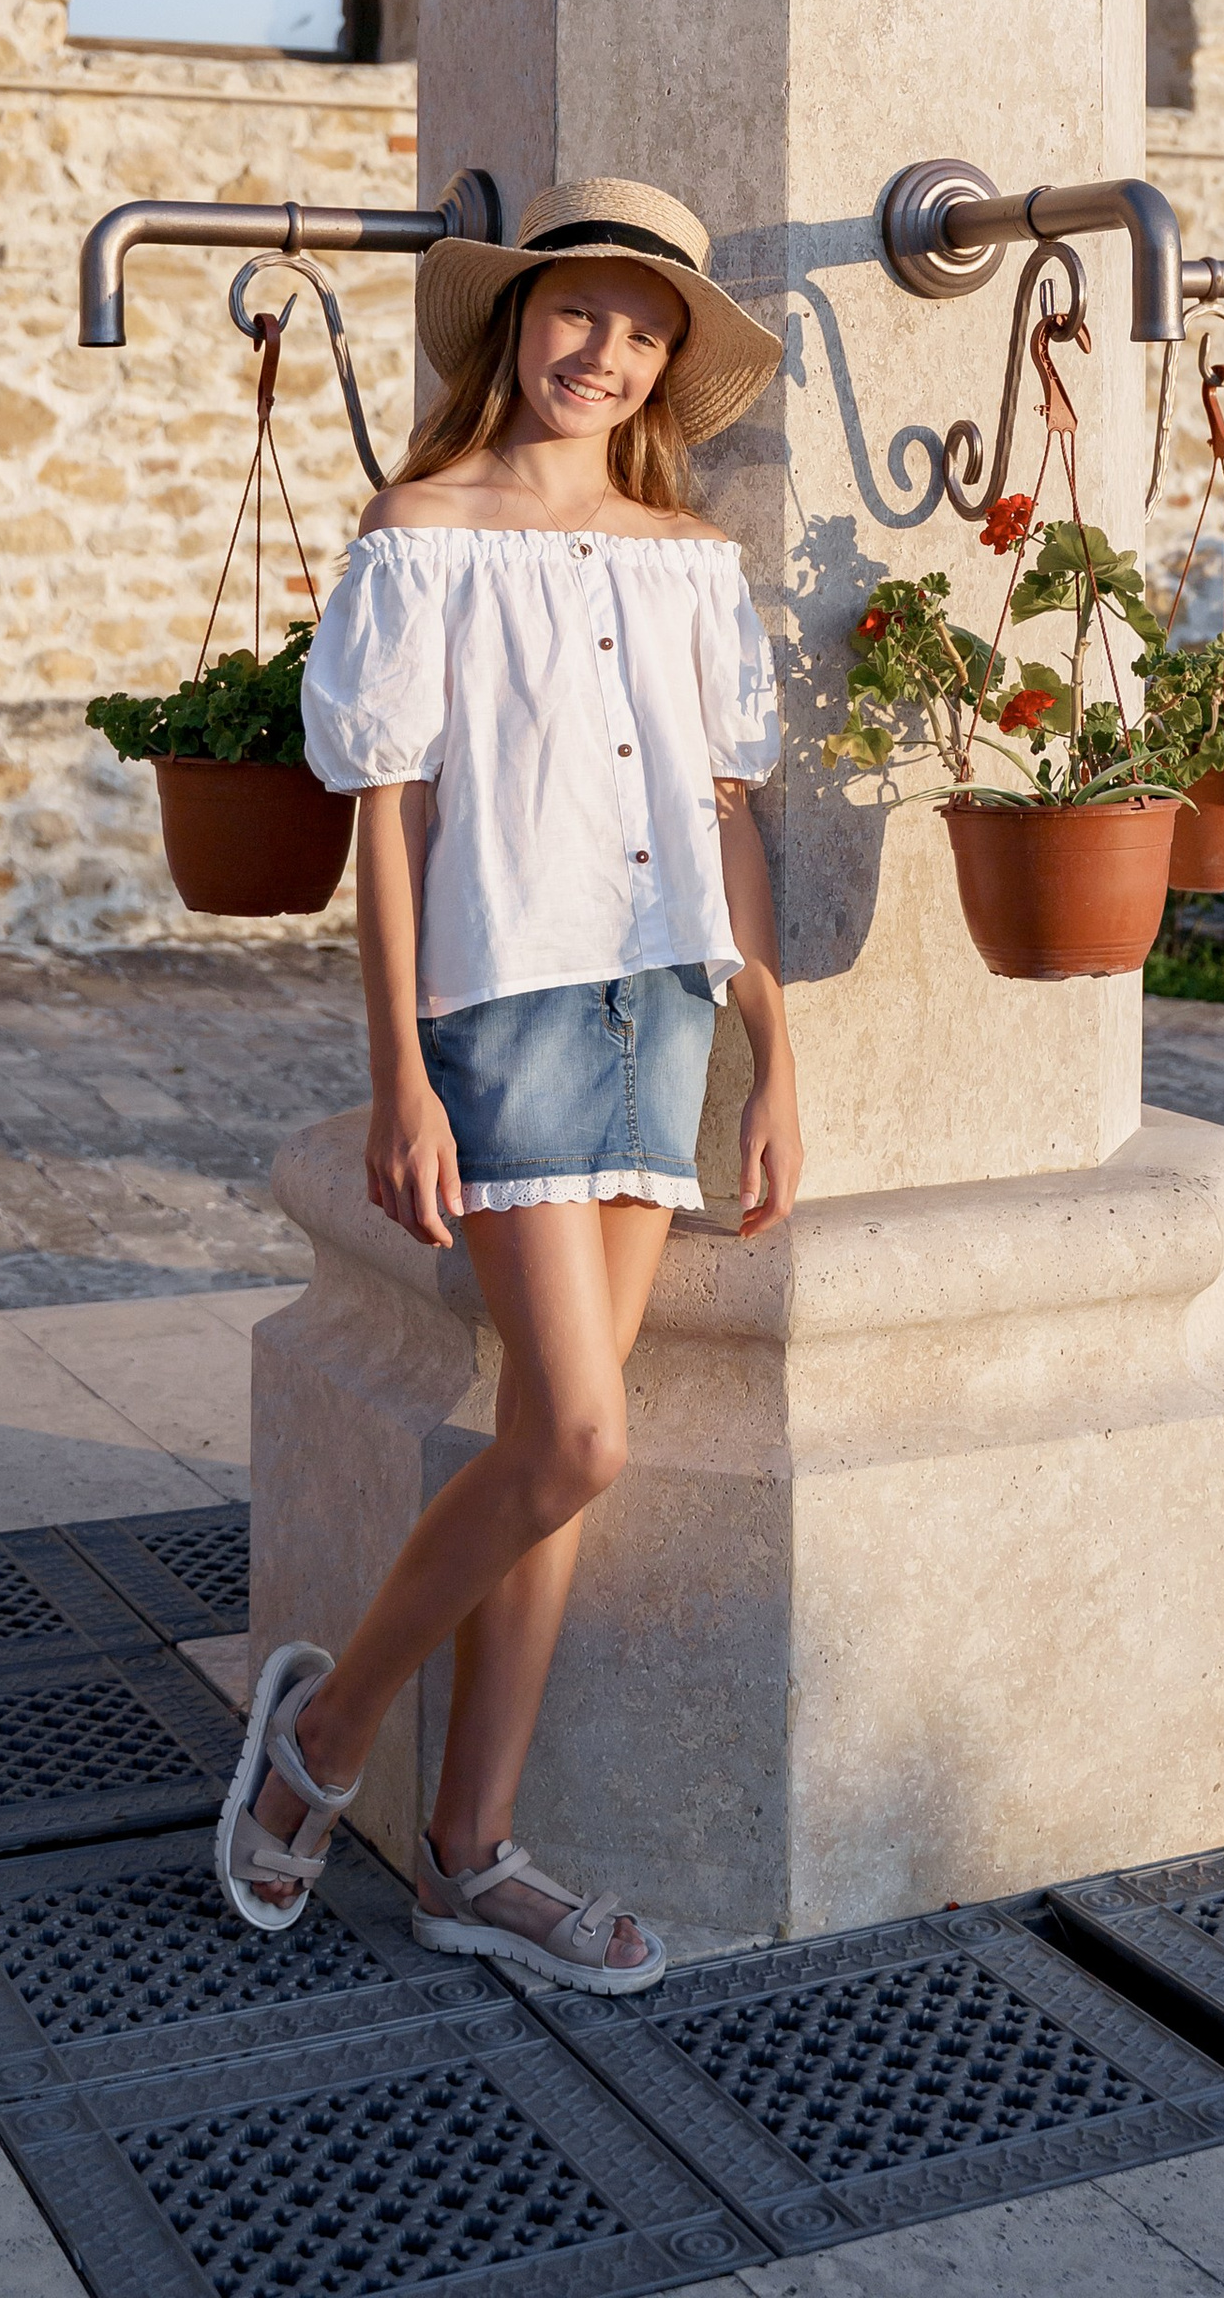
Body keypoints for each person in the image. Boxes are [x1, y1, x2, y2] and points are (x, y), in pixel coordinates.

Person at [214, 179, 800, 1994]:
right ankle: (319, 1744)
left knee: (565, 1463)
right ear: (513, 323)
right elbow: (386, 821)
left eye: (641, 332)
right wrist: (397, 1074)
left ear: (669, 367)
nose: (602, 353)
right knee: (576, 1438)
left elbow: (728, 812)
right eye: (577, 314)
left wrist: (779, 1055)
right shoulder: (421, 532)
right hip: (513, 1009)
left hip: (664, 1007)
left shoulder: (689, 562)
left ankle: (472, 1856)